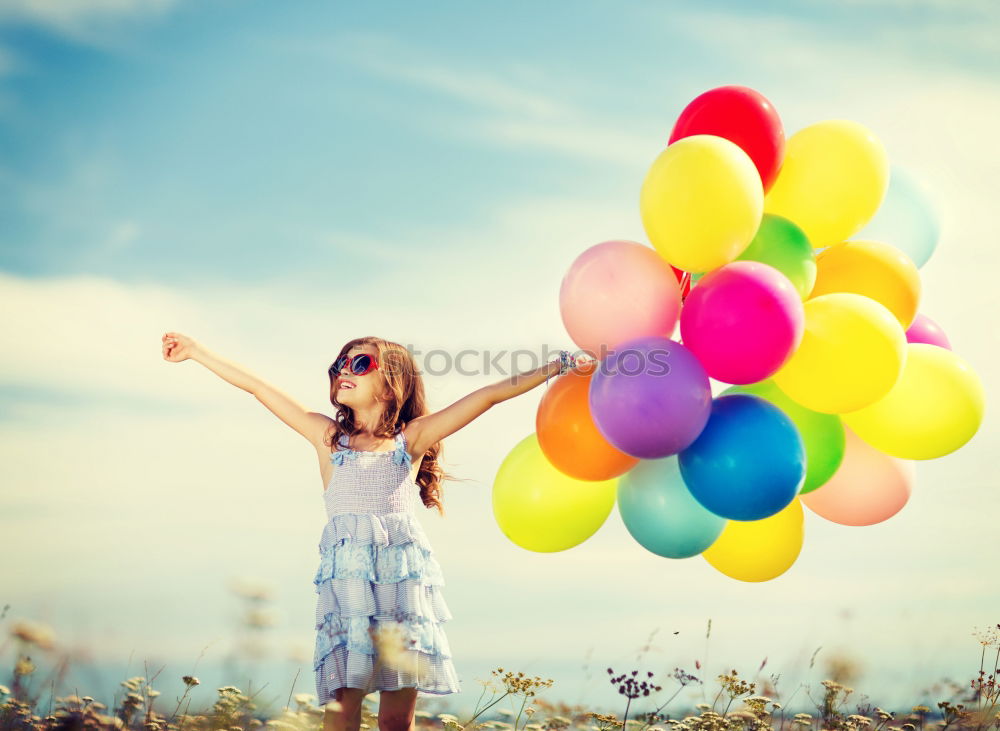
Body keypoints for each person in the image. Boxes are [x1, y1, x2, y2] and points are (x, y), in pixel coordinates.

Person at [160, 333, 585, 731]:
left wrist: (557, 365)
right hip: (348, 589)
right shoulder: (329, 439)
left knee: (396, 721)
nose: (344, 368)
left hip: (401, 586)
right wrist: (197, 351)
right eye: (340, 362)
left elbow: (489, 396)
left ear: (390, 385)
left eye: (360, 362)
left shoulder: (410, 440)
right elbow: (259, 388)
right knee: (343, 706)